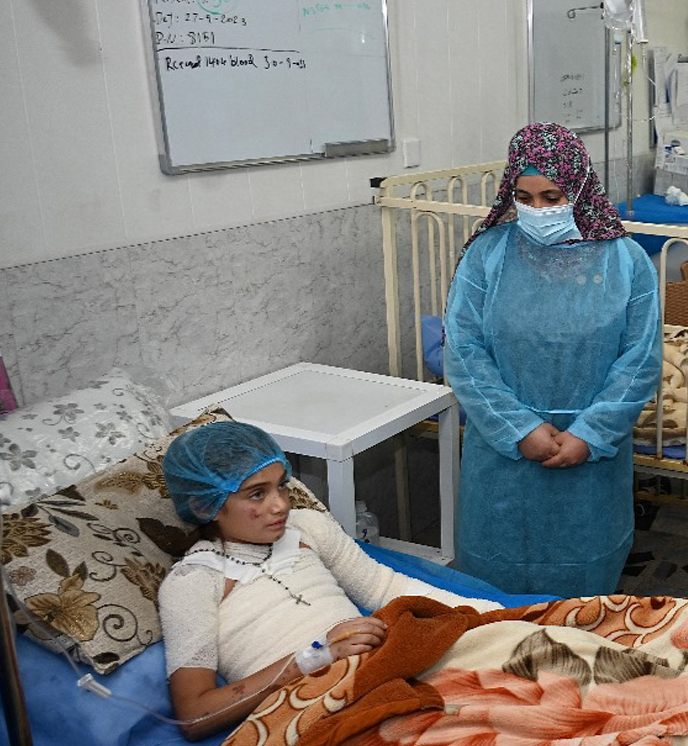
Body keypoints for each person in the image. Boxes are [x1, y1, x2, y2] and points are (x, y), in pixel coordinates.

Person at [158, 421, 501, 740]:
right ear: (206, 506)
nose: (280, 506)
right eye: (257, 494)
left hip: (384, 665)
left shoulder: (307, 527)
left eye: (281, 485)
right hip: (315, 704)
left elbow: (386, 588)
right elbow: (194, 715)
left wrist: (494, 615)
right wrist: (317, 656)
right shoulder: (192, 581)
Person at [445, 122, 661, 597]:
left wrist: (590, 433)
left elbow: (640, 359)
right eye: (524, 197)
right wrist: (517, 427)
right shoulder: (488, 256)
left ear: (580, 187)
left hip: (592, 465)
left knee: (582, 606)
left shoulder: (625, 261)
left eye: (551, 196)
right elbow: (463, 350)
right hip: (501, 460)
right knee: (496, 610)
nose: (537, 210)